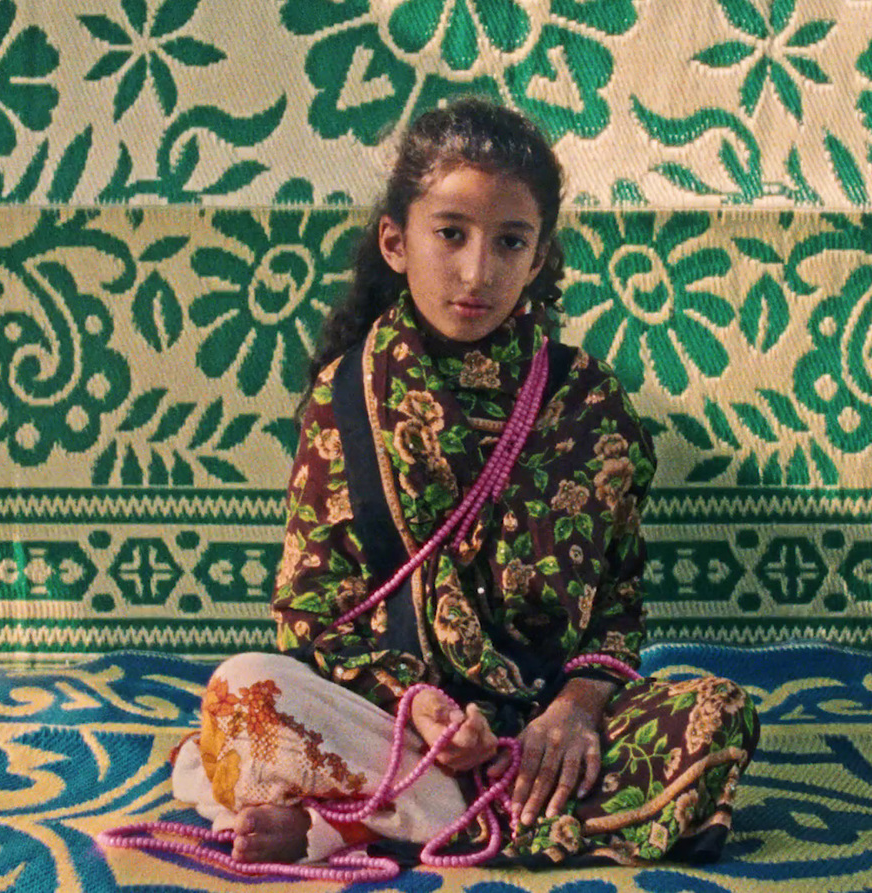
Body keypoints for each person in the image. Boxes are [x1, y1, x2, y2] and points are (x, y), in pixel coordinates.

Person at [170, 97, 759, 868]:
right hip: (392, 720)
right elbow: (312, 608)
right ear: (395, 239)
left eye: (510, 241)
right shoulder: (345, 400)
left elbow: (617, 606)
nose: (478, 271)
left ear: (540, 256)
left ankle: (353, 822)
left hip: (543, 733)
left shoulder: (589, 405)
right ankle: (450, 813)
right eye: (450, 233)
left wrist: (576, 712)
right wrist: (419, 706)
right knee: (248, 690)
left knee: (714, 711)